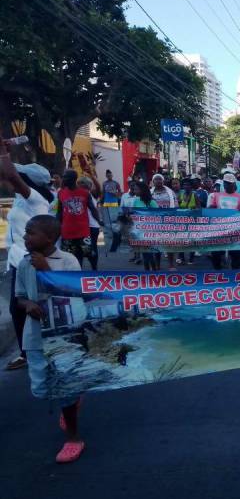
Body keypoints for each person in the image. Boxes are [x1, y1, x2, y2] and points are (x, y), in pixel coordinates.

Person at [16, 215, 84, 462]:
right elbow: (19, 296)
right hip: (35, 335)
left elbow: (74, 292)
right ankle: (73, 400)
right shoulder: (24, 263)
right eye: (26, 232)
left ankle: (73, 438)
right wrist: (27, 304)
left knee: (65, 386)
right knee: (41, 388)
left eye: (30, 232)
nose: (25, 237)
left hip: (64, 333)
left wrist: (46, 270)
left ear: (49, 238)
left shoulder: (68, 261)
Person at [0, 147, 54, 371]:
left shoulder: (36, 199)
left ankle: (39, 350)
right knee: (20, 309)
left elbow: (12, 175)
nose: (12, 179)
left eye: (20, 177)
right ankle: (29, 352)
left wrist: (3, 151)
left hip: (31, 262)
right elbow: (7, 174)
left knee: (32, 308)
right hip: (18, 262)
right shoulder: (20, 199)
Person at [57, 170, 100, 267]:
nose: (63, 179)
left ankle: (95, 271)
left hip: (83, 232)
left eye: (66, 177)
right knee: (71, 257)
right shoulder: (61, 193)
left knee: (90, 254)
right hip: (67, 232)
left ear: (73, 179)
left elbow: (93, 209)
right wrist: (56, 226)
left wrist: (99, 221)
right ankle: (77, 272)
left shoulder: (85, 193)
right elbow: (59, 212)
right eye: (63, 177)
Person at [208, 173, 240, 269]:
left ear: (234, 184)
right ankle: (219, 273)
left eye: (230, 183)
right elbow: (211, 208)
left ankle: (234, 275)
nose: (228, 185)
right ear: (223, 184)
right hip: (220, 231)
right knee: (216, 255)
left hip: (235, 232)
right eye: (226, 183)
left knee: (236, 256)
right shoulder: (217, 196)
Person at [150, 173, 178, 270]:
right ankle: (157, 265)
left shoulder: (170, 192)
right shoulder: (150, 193)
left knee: (169, 244)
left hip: (168, 221)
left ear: (163, 181)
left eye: (160, 179)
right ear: (153, 182)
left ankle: (171, 264)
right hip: (155, 222)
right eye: (156, 179)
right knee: (156, 244)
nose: (158, 181)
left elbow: (175, 205)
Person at [132, 182, 160, 270]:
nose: (134, 191)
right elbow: (134, 214)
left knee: (149, 254)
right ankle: (147, 272)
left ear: (142, 190)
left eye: (136, 189)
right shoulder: (136, 201)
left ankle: (154, 271)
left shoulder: (152, 202)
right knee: (145, 254)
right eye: (134, 189)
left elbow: (158, 215)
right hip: (140, 231)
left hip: (150, 231)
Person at [77, 176, 101, 270]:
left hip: (92, 226)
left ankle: (94, 269)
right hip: (82, 226)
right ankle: (81, 270)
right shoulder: (77, 195)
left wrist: (92, 175)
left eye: (80, 183)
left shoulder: (92, 194)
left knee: (92, 248)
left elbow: (98, 188)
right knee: (81, 249)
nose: (78, 185)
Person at [177, 178, 200, 265]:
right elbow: (177, 206)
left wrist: (194, 210)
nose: (186, 186)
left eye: (188, 185)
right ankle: (181, 257)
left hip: (192, 221)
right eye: (185, 185)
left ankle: (191, 258)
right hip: (182, 221)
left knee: (192, 240)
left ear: (191, 186)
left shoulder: (195, 195)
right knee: (181, 239)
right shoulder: (180, 195)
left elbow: (199, 208)